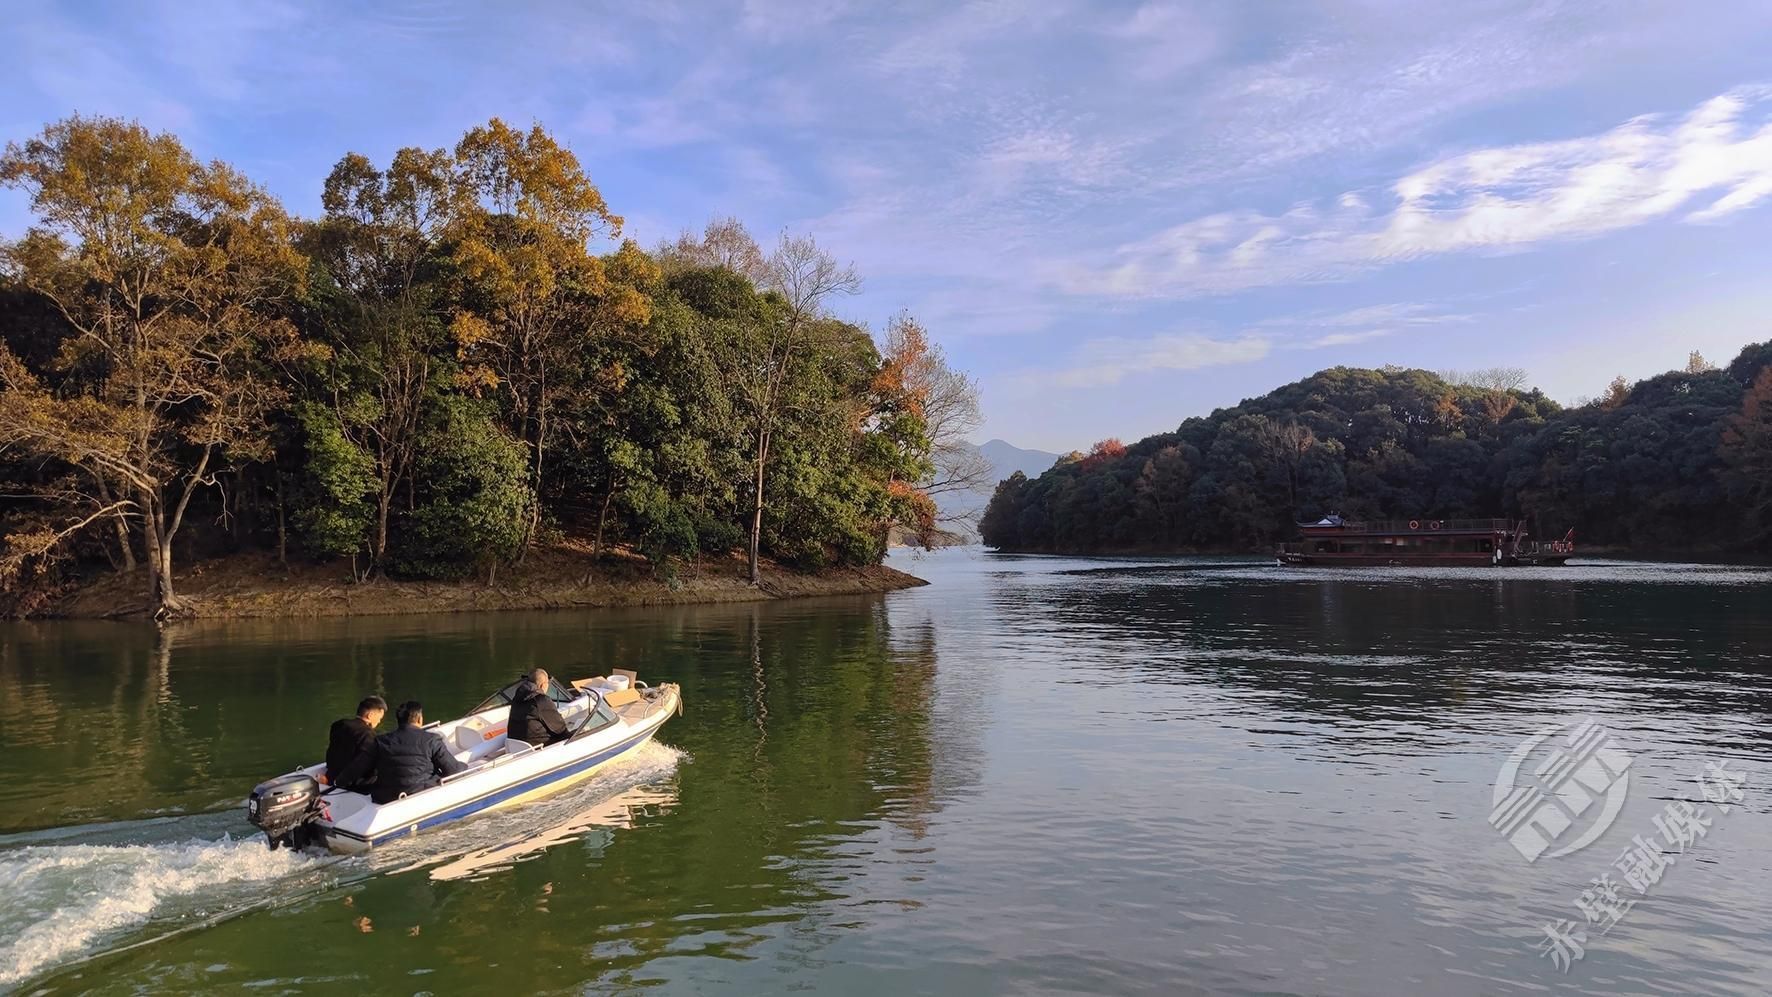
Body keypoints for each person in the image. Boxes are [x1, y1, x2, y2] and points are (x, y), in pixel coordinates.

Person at [371, 700, 466, 804]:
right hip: (419, 791)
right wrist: (465, 765)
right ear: (420, 719)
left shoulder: (381, 741)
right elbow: (453, 770)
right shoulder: (431, 740)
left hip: (386, 796)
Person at [324, 695, 385, 793]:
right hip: (352, 785)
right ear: (370, 715)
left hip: (331, 775)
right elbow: (362, 764)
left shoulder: (338, 725)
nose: (379, 722)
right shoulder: (368, 734)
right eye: (379, 718)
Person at [507, 668, 571, 747]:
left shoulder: (517, 698)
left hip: (517, 744)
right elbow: (560, 729)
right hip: (538, 745)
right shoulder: (541, 700)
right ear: (543, 685)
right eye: (548, 683)